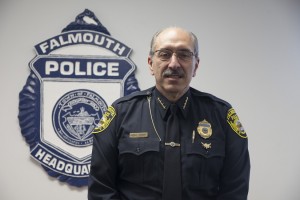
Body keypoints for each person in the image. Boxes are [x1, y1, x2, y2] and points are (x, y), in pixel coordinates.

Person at [88, 26, 250, 200]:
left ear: (196, 65)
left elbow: (235, 190)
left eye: (184, 54)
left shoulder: (221, 115)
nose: (174, 63)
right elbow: (101, 190)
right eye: (165, 54)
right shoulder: (121, 114)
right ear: (151, 63)